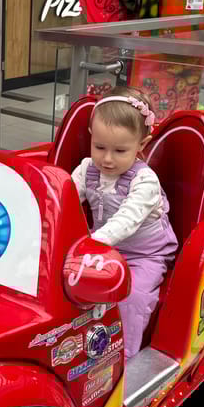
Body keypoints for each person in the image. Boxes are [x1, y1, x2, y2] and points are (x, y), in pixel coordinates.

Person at [71, 87, 178, 358]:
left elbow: (127, 220)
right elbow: (66, 199)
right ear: (91, 137)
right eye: (99, 147)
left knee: (134, 297)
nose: (107, 158)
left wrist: (92, 243)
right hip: (102, 247)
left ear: (142, 145)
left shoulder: (145, 181)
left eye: (120, 150)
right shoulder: (86, 169)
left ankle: (125, 358)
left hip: (145, 255)